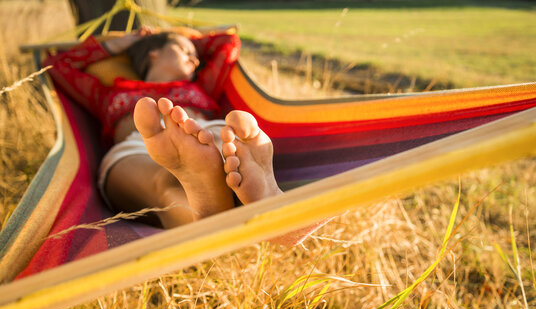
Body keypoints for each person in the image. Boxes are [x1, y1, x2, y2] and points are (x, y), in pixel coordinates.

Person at [45, 28, 328, 246]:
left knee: (212, 147)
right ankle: (215, 201)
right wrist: (126, 43)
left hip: (204, 134)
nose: (195, 59)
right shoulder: (109, 92)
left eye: (195, 54)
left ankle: (223, 202)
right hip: (136, 148)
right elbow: (56, 65)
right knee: (162, 183)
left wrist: (176, 37)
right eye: (184, 50)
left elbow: (227, 43)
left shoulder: (200, 84)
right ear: (154, 53)